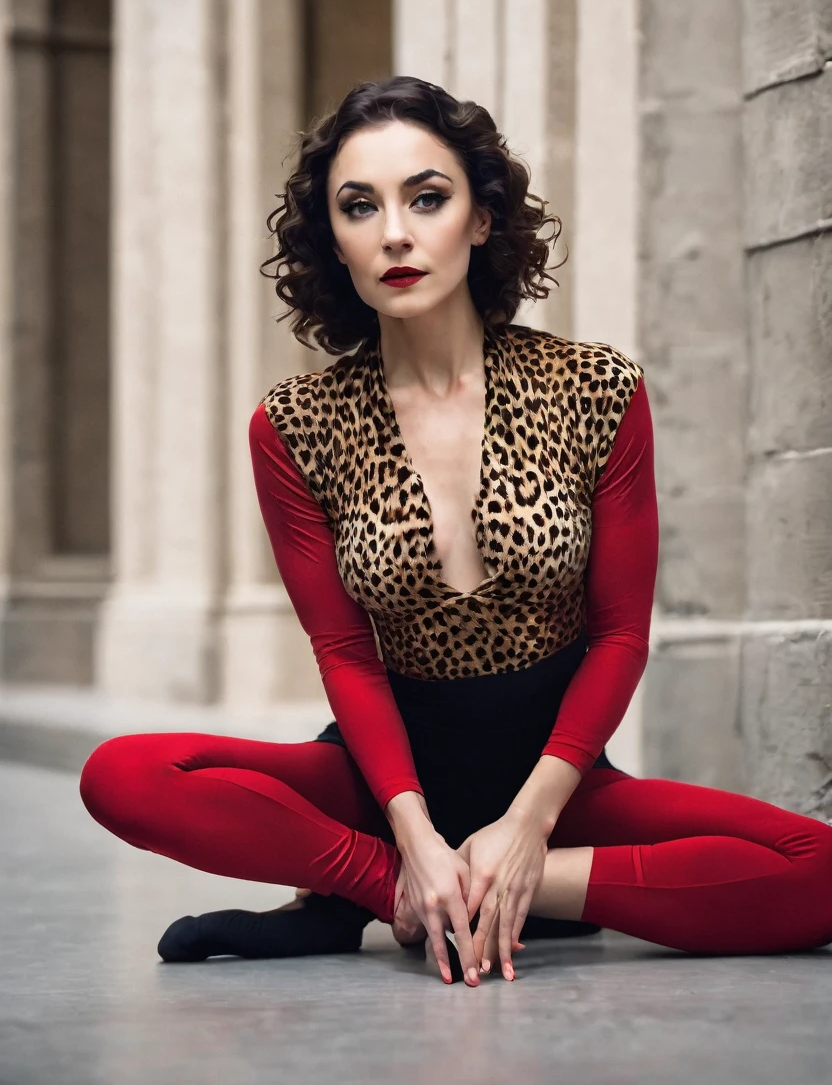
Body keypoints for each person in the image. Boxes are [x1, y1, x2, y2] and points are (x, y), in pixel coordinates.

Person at [80, 76, 832, 987]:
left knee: (819, 867)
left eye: (427, 198)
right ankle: (392, 893)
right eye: (361, 207)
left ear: (480, 219)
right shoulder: (294, 425)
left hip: (556, 786)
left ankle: (526, 890)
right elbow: (345, 652)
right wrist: (406, 845)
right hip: (379, 784)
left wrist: (529, 832)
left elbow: (622, 634)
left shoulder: (595, 389)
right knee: (121, 773)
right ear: (337, 242)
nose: (396, 231)